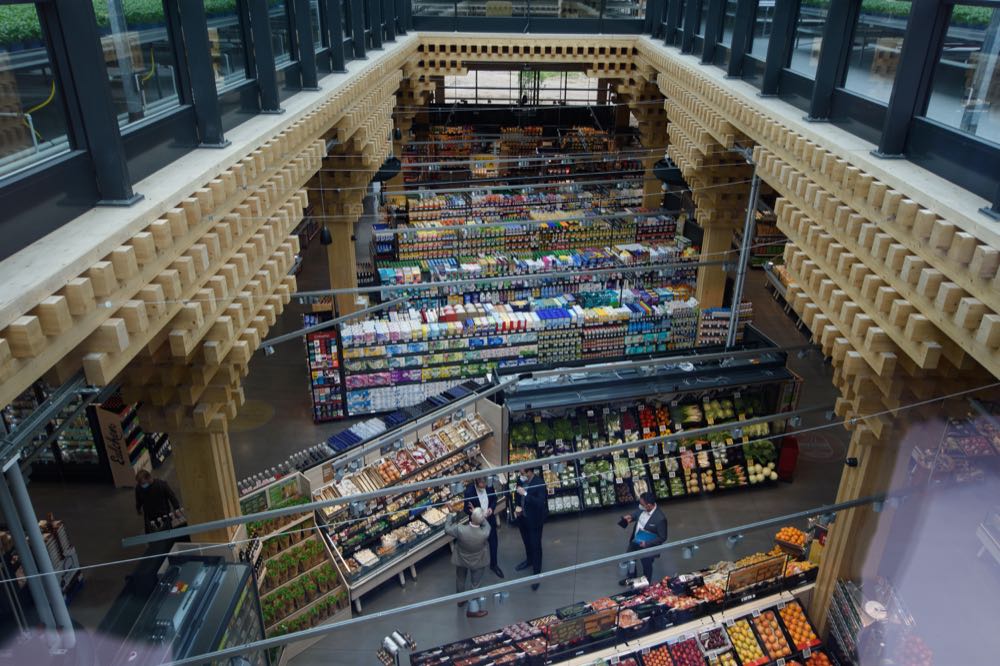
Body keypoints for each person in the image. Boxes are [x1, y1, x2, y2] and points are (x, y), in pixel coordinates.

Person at [444, 508, 492, 618]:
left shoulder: (460, 530)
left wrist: (451, 514)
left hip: (461, 559)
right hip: (478, 561)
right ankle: (473, 610)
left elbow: (447, 529)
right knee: (475, 585)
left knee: (460, 579)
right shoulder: (485, 532)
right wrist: (481, 516)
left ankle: (460, 600)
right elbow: (486, 524)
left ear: (470, 517)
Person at [619, 491, 668, 585]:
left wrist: (647, 544)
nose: (640, 506)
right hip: (635, 540)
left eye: (642, 504)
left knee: (646, 565)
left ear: (649, 505)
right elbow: (637, 513)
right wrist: (631, 517)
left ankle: (645, 583)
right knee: (630, 559)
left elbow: (663, 537)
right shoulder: (643, 508)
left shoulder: (660, 518)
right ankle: (631, 579)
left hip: (647, 545)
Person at [513, 467, 547, 591]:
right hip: (523, 518)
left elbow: (540, 502)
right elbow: (517, 496)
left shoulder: (539, 483)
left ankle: (537, 574)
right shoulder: (520, 480)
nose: (520, 475)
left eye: (522, 473)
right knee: (527, 542)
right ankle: (529, 560)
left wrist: (525, 494)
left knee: (535, 545)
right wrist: (517, 507)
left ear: (529, 472)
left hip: (535, 520)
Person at [464, 477, 504, 577]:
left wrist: (491, 508)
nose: (485, 485)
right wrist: (473, 512)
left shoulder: (489, 486)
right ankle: (477, 568)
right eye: (482, 484)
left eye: (485, 483)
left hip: (489, 520)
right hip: (477, 523)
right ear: (476, 482)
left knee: (493, 543)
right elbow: (465, 509)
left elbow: (494, 499)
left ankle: (494, 565)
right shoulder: (469, 492)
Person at [134, 469, 181, 534]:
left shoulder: (161, 485)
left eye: (143, 483)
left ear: (149, 478)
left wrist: (176, 508)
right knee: (152, 536)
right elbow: (138, 499)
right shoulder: (139, 488)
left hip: (163, 514)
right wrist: (138, 509)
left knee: (168, 533)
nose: (142, 486)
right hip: (149, 516)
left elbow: (172, 496)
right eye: (140, 484)